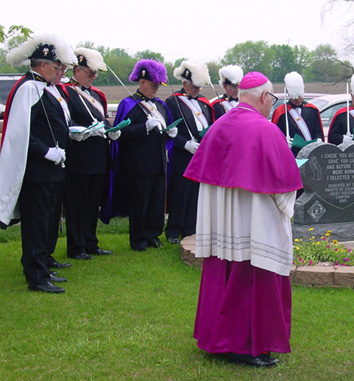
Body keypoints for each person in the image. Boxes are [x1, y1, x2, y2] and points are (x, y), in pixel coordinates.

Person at [184, 71, 302, 367]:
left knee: (223, 275)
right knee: (252, 279)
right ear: (264, 96)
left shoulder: (219, 125)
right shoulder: (266, 130)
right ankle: (247, 345)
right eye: (272, 99)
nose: (272, 106)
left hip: (223, 222)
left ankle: (218, 340)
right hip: (254, 223)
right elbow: (285, 188)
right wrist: (288, 204)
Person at [0, 34, 76, 293]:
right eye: (57, 68)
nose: (60, 73)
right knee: (36, 223)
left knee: (48, 221)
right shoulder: (28, 88)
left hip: (54, 169)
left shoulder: (46, 88)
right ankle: (36, 276)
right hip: (38, 170)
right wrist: (45, 152)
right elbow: (21, 132)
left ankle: (43, 263)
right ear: (42, 64)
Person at [111, 59, 176, 251]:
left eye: (158, 85)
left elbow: (165, 128)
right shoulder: (129, 104)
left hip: (158, 161)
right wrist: (144, 128)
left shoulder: (161, 106)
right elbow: (120, 133)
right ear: (142, 82)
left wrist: (169, 133)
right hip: (138, 163)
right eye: (153, 85)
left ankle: (152, 234)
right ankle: (138, 238)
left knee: (156, 202)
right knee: (140, 202)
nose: (156, 89)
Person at [62, 47, 118, 260]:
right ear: (77, 70)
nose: (93, 77)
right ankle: (76, 246)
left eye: (95, 73)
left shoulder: (96, 95)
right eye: (90, 72)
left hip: (98, 157)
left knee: (93, 202)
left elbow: (102, 120)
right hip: (79, 157)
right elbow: (67, 122)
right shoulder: (66, 92)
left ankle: (90, 241)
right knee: (77, 203)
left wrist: (112, 129)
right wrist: (78, 130)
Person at [164, 61, 214, 245]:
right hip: (182, 154)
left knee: (195, 193)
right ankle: (173, 230)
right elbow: (169, 130)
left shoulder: (203, 103)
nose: (196, 90)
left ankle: (190, 228)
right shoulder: (173, 101)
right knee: (180, 192)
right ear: (185, 83)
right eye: (194, 87)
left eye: (198, 87)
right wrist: (184, 144)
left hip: (200, 154)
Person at [271, 71, 324, 156]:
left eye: (300, 97)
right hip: (291, 154)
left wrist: (319, 139)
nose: (298, 100)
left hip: (311, 153)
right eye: (295, 98)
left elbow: (318, 131)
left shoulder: (312, 110)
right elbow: (274, 137)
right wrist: (283, 141)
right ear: (289, 94)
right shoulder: (281, 112)